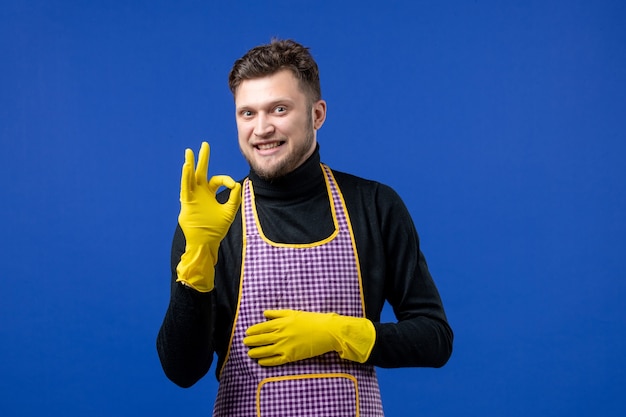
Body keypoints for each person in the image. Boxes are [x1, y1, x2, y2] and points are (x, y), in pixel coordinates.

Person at [157, 39, 453, 416]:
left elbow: (435, 338)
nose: (262, 128)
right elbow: (181, 370)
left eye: (279, 109)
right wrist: (197, 259)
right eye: (247, 113)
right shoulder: (212, 223)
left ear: (317, 114)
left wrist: (338, 333)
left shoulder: (374, 206)